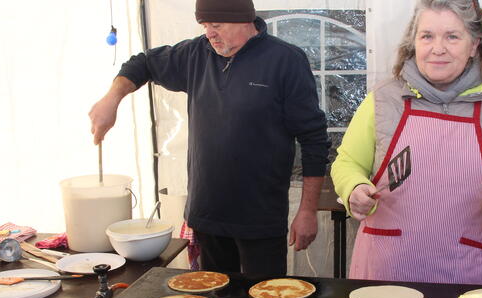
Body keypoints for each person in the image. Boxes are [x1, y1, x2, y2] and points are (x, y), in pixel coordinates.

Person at [89, 0, 329, 276]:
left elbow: (314, 139)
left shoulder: (285, 60)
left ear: (244, 20)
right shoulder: (196, 54)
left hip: (260, 219)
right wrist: (112, 99)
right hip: (207, 216)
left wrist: (308, 211)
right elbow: (141, 64)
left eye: (216, 25)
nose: (209, 34)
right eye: (204, 26)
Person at [331, 0, 482, 285]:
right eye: (427, 36)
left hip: (467, 268)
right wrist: (353, 187)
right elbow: (348, 163)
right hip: (388, 265)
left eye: (452, 36)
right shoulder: (383, 98)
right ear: (413, 42)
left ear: (474, 44)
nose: (437, 48)